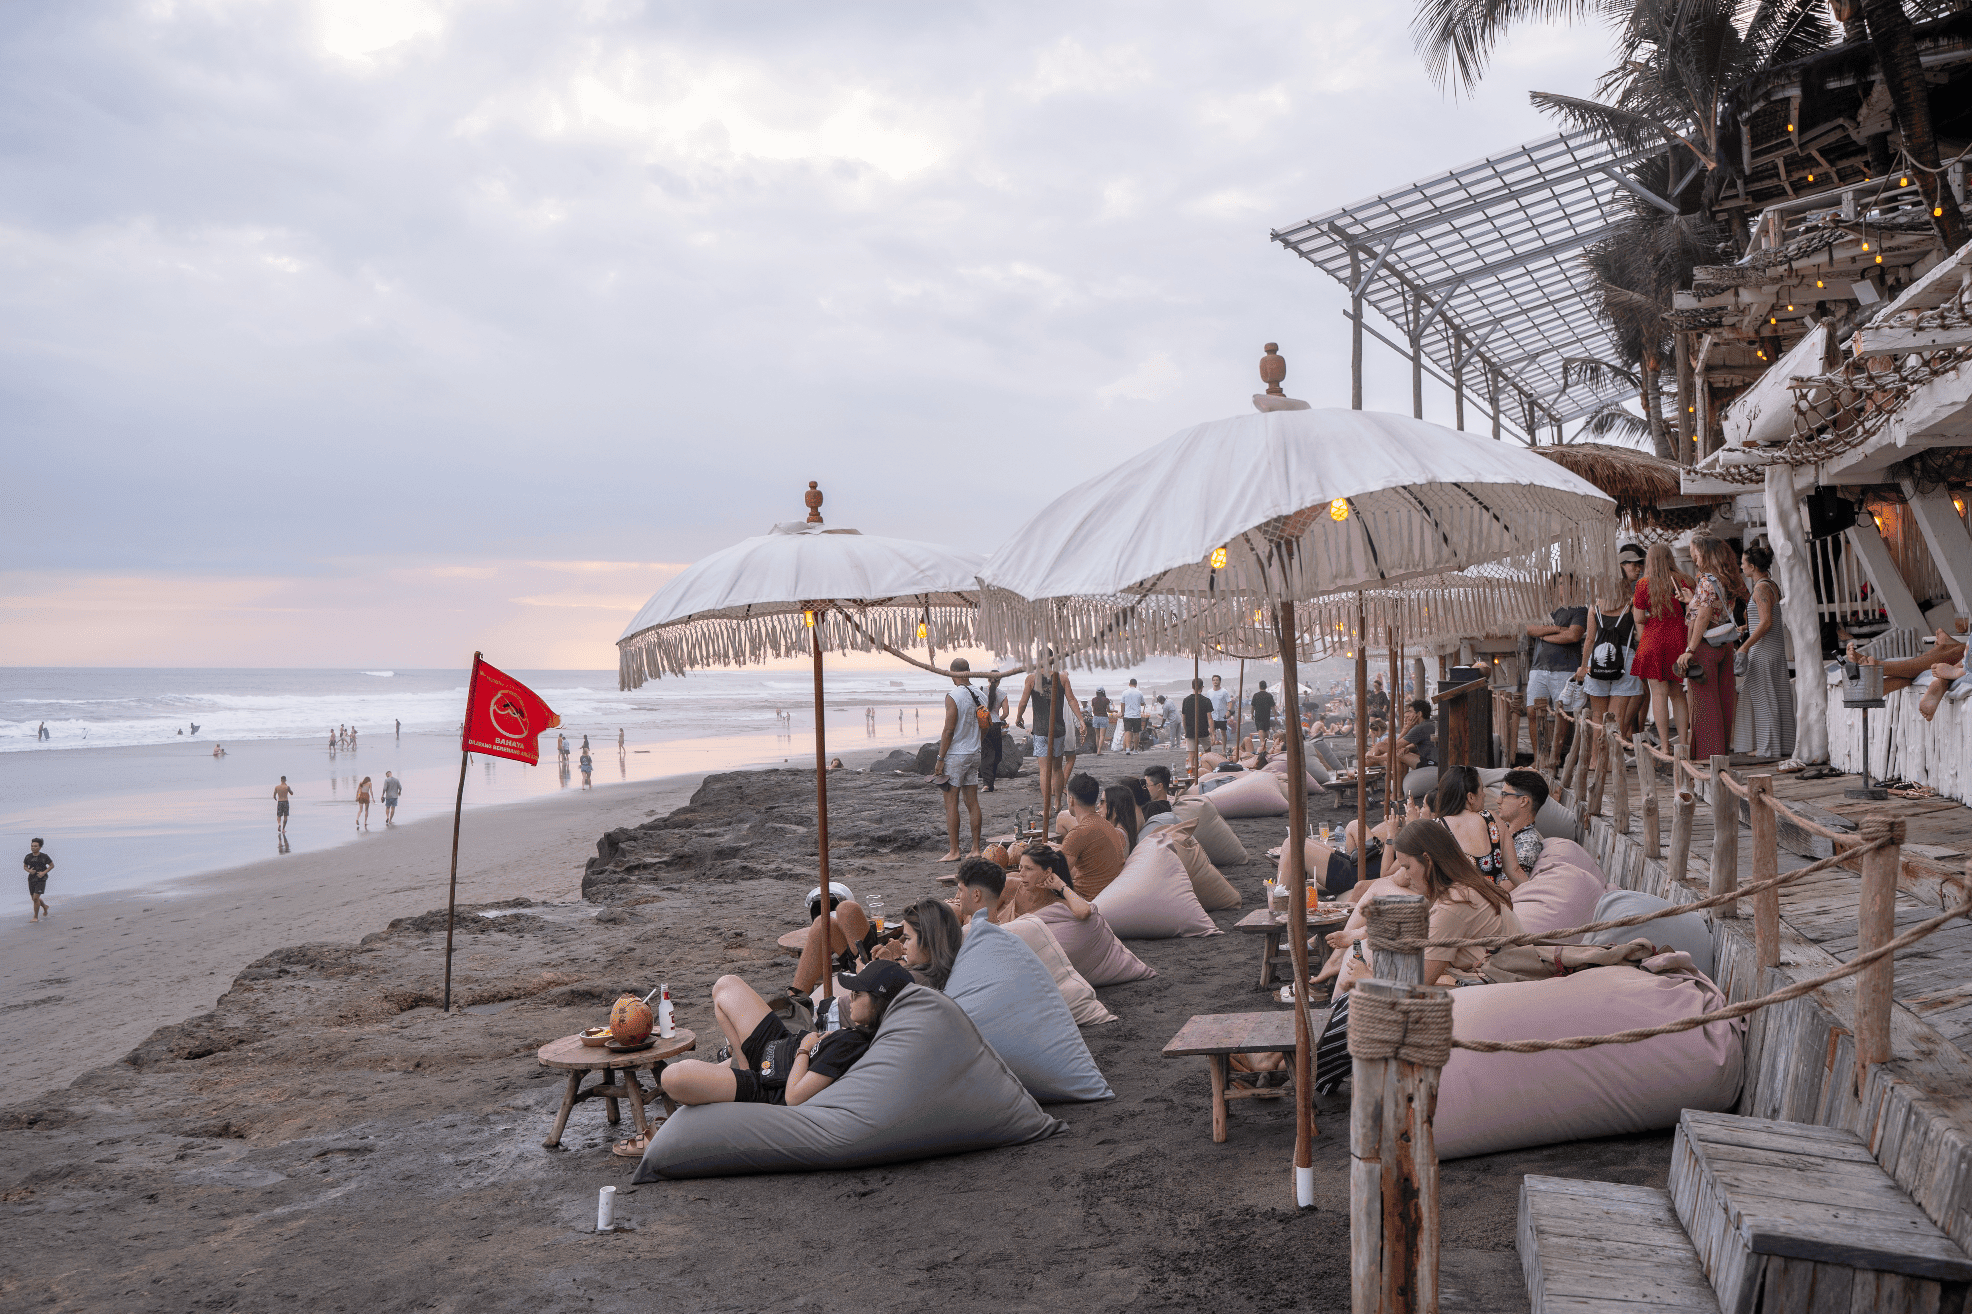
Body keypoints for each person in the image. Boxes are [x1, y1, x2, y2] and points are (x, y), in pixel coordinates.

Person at [1313, 820, 1523, 1093]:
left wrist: (1369, 977)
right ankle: (1296, 1063)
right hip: (1489, 982)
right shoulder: (1463, 889)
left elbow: (1415, 989)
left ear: (1428, 861)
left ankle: (1291, 1064)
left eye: (1407, 866)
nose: (1404, 875)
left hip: (1492, 993)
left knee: (1363, 1004)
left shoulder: (1455, 903)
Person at [652, 960, 906, 1125]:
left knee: (672, 1077)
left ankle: (737, 1078)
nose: (849, 997)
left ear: (879, 1004)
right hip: (780, 1044)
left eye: (857, 993)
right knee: (726, 985)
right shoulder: (854, 1034)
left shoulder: (851, 1044)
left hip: (769, 1085)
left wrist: (806, 1047)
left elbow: (794, 1097)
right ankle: (740, 1067)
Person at [1678, 534, 1742, 761]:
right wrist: (1690, 600)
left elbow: (1704, 615)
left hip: (1706, 645)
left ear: (1703, 553)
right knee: (1723, 699)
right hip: (1724, 644)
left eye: (1694, 552)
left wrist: (1690, 649)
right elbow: (1714, 607)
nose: (1693, 557)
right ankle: (1720, 754)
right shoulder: (1725, 579)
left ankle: (1707, 757)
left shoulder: (1706, 581)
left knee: (1704, 703)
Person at [1014, 660, 1090, 834]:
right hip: (1058, 729)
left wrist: (1018, 717)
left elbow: (1023, 701)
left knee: (1043, 769)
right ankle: (1056, 804)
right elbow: (1071, 700)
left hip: (1041, 730)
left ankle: (1047, 809)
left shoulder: (1031, 679)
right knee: (1057, 768)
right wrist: (1081, 720)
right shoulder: (1062, 678)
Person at [1737, 545, 1796, 757]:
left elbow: (1767, 622)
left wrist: (1744, 646)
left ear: (1752, 567)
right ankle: (1783, 745)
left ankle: (1768, 748)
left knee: (1763, 698)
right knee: (1777, 695)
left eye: (1743, 563)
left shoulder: (1761, 588)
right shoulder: (1771, 585)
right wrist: (1746, 627)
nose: (1741, 566)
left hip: (1762, 650)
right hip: (1773, 648)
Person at [1632, 542, 1692, 747]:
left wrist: (1653, 614)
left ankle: (1665, 746)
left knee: (1658, 694)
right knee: (1677, 693)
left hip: (1653, 640)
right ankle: (1683, 743)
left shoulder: (1643, 584)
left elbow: (1639, 618)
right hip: (1678, 639)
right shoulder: (1685, 580)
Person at [1577, 579, 1646, 740]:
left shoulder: (1595, 607)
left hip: (1597, 660)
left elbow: (1590, 640)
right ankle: (1612, 762)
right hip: (1625, 661)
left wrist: (1582, 666)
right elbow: (1642, 636)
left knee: (1597, 716)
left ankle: (1596, 761)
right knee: (1617, 718)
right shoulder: (1631, 605)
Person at [933, 658, 987, 862]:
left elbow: (948, 730)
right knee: (972, 801)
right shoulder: (980, 694)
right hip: (974, 753)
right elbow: (986, 725)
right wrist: (976, 744)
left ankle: (954, 851)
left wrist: (940, 758)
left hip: (956, 755)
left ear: (952, 673)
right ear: (969, 672)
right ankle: (975, 849)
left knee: (951, 802)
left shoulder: (953, 696)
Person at [1435, 764, 1521, 890]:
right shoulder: (1492, 820)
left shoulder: (1436, 828)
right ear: (1470, 797)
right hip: (1493, 905)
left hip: (1455, 906)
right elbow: (1514, 871)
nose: (1484, 795)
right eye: (1482, 790)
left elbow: (1407, 874)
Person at [869, 897, 964, 988]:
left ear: (929, 942)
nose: (904, 945)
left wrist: (868, 973)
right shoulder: (947, 971)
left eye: (908, 938)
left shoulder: (914, 982)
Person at [1058, 772, 1127, 898]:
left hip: (1085, 899)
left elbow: (1055, 874)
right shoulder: (1107, 825)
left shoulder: (1079, 833)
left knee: (1015, 881)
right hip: (1106, 895)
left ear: (1071, 800)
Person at [1524, 590, 1589, 719]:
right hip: (1538, 668)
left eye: (1569, 583)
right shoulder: (1543, 609)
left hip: (1565, 670)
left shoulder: (1580, 609)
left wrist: (1543, 635)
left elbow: (1573, 635)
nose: (1565, 586)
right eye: (1560, 583)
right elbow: (1529, 629)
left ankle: (1562, 741)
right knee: (1532, 712)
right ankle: (1537, 740)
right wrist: (1558, 629)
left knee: (1564, 715)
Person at [1001, 843, 1097, 921]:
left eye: (1029, 869)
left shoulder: (1056, 904)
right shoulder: (1011, 886)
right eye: (1020, 867)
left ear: (1047, 872)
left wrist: (1061, 885)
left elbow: (1084, 912)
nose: (1021, 873)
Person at [1496, 769, 1548, 875]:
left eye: (1504, 795)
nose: (1498, 800)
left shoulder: (1528, 845)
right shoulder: (1501, 829)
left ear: (1523, 801)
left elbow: (1504, 889)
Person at [979, 676, 1008, 791]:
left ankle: (987, 783)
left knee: (985, 754)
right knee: (997, 755)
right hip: (995, 725)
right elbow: (1006, 713)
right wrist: (997, 718)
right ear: (999, 681)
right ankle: (989, 783)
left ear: (988, 679)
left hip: (983, 724)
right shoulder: (1002, 694)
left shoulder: (980, 690)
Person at [1180, 678, 1214, 764]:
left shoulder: (1186, 700)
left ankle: (1192, 774)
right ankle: (1207, 770)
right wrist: (1212, 733)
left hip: (1190, 731)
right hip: (1203, 731)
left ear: (1192, 686)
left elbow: (1183, 718)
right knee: (1208, 754)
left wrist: (1185, 730)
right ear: (1202, 687)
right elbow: (1210, 718)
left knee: (1191, 756)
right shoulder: (1206, 701)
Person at [1101, 783, 1140, 853]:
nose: (1098, 805)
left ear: (1115, 807)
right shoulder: (1125, 832)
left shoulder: (1116, 835)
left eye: (1102, 801)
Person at [23, 838, 51, 921]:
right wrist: (29, 871)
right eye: (32, 846)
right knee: (34, 898)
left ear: (40, 847)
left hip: (41, 879)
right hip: (31, 879)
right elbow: (25, 866)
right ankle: (45, 906)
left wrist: (43, 872)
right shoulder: (28, 856)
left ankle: (35, 917)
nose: (33, 848)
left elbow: (51, 865)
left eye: (35, 846)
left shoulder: (44, 856)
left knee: (35, 898)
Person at [1120, 679, 1145, 753]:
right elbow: (1142, 703)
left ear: (1129, 684)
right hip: (1136, 716)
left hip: (1127, 715)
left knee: (1127, 732)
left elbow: (1122, 704)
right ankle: (1135, 750)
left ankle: (1127, 749)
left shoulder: (1125, 692)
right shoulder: (1139, 693)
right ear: (1136, 685)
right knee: (1136, 733)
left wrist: (1122, 713)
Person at [1208, 675, 1231, 749]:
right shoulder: (1209, 692)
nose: (1215, 681)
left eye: (1217, 680)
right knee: (1211, 732)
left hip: (1222, 716)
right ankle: (1211, 748)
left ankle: (1223, 749)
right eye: (1214, 680)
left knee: (1223, 733)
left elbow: (1229, 702)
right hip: (1212, 716)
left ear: (1220, 682)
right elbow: (1207, 703)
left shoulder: (1224, 691)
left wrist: (1228, 711)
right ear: (1212, 682)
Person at [1251, 680, 1275, 745]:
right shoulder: (1269, 695)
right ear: (1266, 687)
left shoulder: (1255, 695)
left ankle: (1262, 742)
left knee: (1260, 728)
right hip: (1267, 715)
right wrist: (1275, 715)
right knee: (1266, 729)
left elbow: (1253, 706)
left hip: (1258, 714)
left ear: (1259, 687)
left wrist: (1251, 714)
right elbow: (1273, 707)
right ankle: (1265, 742)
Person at [1089, 687, 1110, 756]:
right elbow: (1108, 710)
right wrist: (1115, 711)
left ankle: (1098, 749)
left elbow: (1093, 710)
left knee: (1097, 735)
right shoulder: (1106, 700)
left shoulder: (1093, 700)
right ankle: (1099, 750)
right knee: (1102, 735)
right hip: (1104, 717)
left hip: (1096, 717)